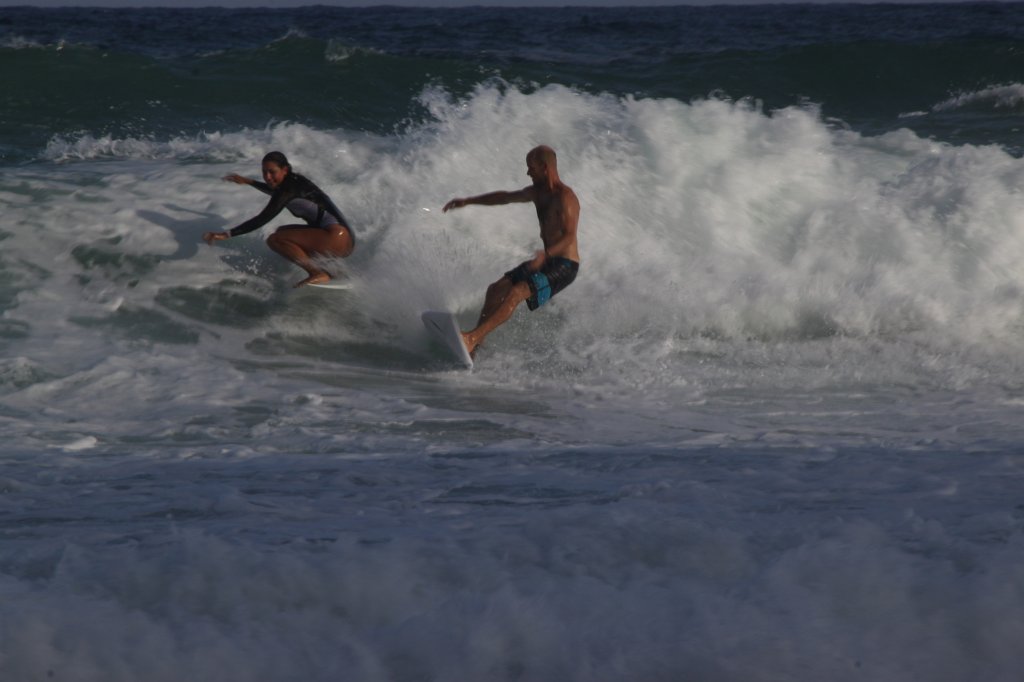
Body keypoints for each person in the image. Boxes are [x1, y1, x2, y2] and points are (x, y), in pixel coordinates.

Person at [443, 145, 580, 355]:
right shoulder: (537, 192)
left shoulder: (566, 198)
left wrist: (547, 254)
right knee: (496, 289)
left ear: (544, 168)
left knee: (517, 293)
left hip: (564, 264)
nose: (527, 173)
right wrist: (468, 201)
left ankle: (471, 338)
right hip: (547, 260)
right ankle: (474, 345)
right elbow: (503, 197)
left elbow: (570, 236)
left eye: (531, 168)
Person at [203, 151, 354, 287]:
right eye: (264, 172)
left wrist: (225, 234)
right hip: (346, 241)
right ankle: (331, 270)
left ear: (285, 170)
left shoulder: (287, 190)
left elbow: (262, 218)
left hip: (335, 238)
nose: (267, 177)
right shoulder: (294, 182)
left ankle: (316, 272)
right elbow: (273, 191)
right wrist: (249, 182)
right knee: (284, 231)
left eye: (272, 172)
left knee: (275, 240)